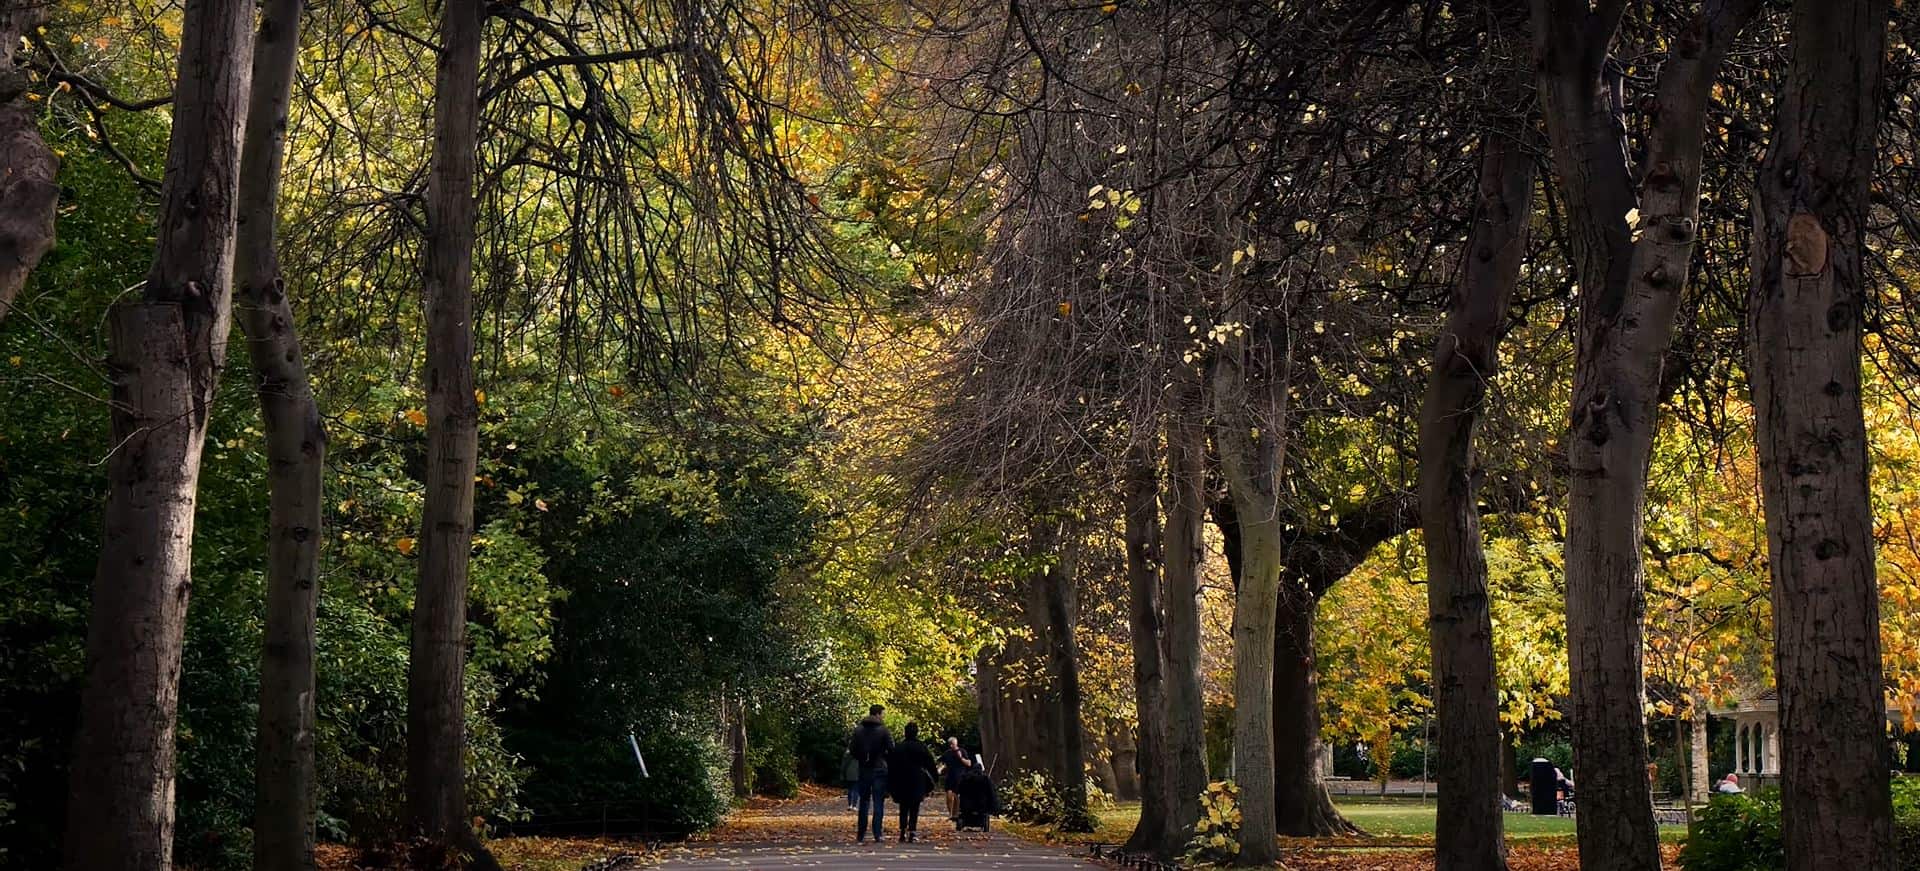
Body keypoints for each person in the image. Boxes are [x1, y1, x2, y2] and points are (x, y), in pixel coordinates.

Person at [886, 722, 939, 842]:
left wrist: (890, 783)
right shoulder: (921, 747)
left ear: (905, 732)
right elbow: (930, 763)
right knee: (915, 806)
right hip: (917, 779)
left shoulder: (899, 747)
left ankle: (902, 830)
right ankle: (912, 830)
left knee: (903, 806)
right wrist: (935, 778)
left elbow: (891, 765)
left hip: (901, 779)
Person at [849, 704, 893, 843]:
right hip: (879, 768)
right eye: (882, 714)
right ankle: (877, 833)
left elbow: (852, 749)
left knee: (864, 801)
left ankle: (861, 833)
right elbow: (892, 749)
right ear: (878, 714)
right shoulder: (883, 730)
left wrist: (862, 759)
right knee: (878, 801)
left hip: (864, 769)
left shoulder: (858, 730)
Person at [939, 736, 971, 821]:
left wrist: (961, 758)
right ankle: (950, 814)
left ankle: (956, 815)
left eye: (952, 744)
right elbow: (943, 763)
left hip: (960, 777)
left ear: (956, 743)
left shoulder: (962, 751)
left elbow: (969, 764)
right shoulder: (947, 753)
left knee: (957, 796)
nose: (951, 746)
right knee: (949, 796)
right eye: (950, 744)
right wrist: (940, 769)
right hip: (950, 777)